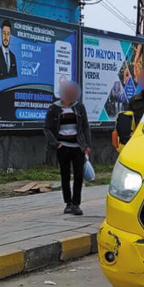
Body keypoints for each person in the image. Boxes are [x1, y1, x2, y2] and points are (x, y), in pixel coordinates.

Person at [44, 81, 92, 216]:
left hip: (78, 147)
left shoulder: (79, 107)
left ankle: (76, 204)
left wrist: (87, 145)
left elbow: (85, 126)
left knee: (78, 175)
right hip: (63, 147)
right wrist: (55, 143)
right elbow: (47, 128)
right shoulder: (53, 108)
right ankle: (68, 203)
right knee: (65, 176)